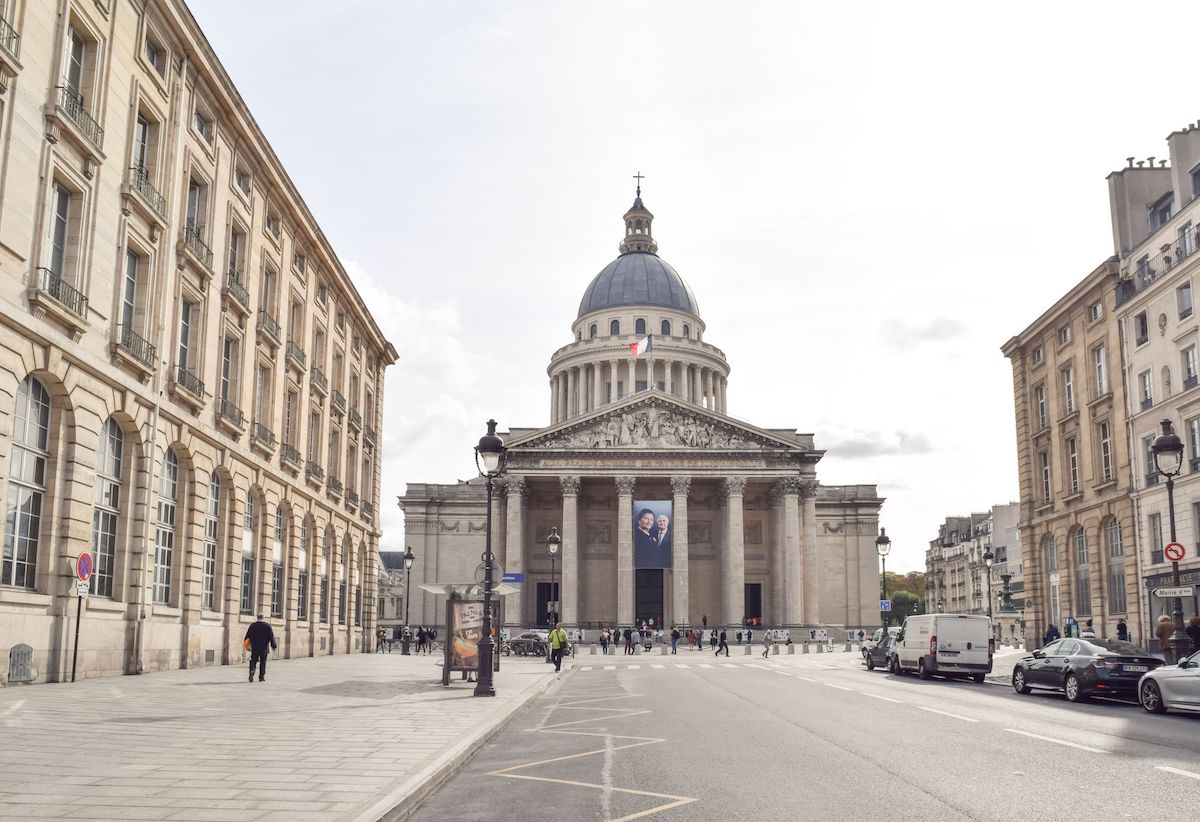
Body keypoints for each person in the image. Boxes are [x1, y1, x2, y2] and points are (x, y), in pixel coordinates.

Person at [244, 614, 277, 683]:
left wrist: (246, 645)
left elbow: (247, 636)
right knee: (263, 662)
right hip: (264, 647)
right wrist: (273, 646)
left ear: (257, 617)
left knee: (253, 660)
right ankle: (261, 677)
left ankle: (252, 671)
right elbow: (271, 637)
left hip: (255, 646)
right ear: (263, 618)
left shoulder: (252, 626)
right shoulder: (267, 626)